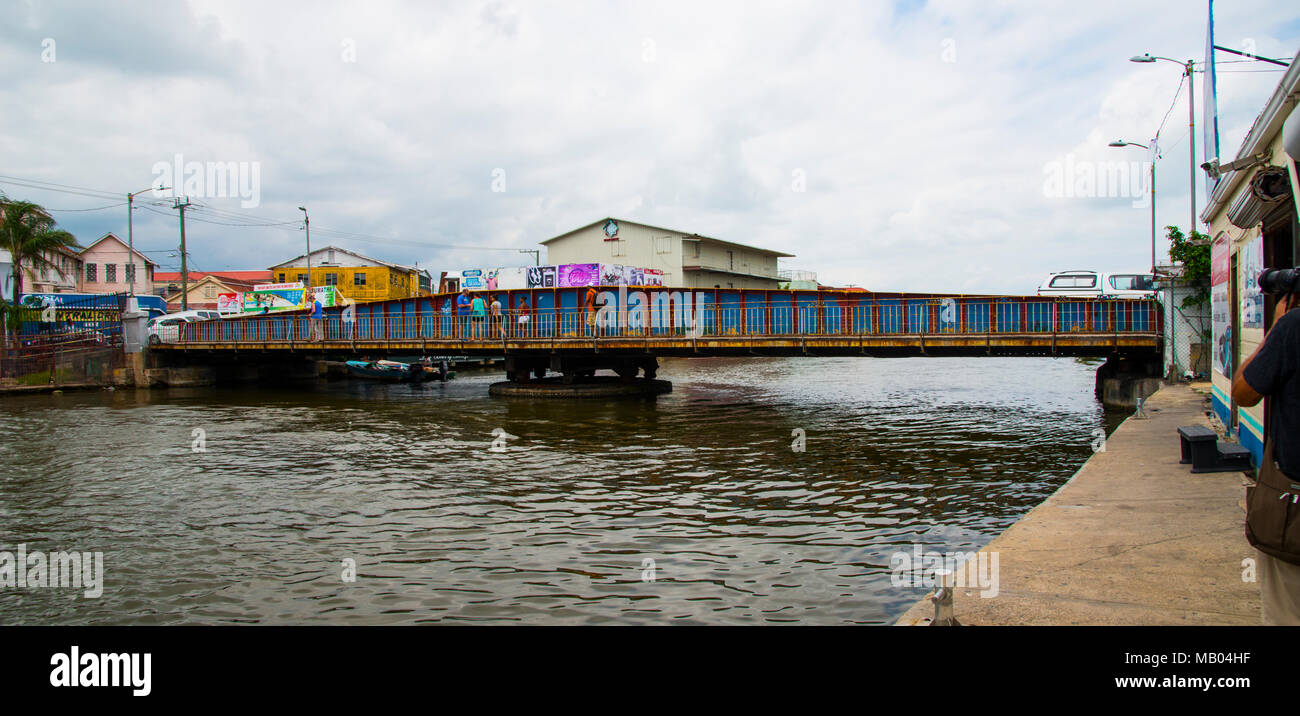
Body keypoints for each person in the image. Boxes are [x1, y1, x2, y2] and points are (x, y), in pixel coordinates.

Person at [1232, 290, 1299, 625]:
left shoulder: (1293, 328)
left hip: (1295, 504)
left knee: (1287, 611)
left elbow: (1244, 392)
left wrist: (1276, 327)